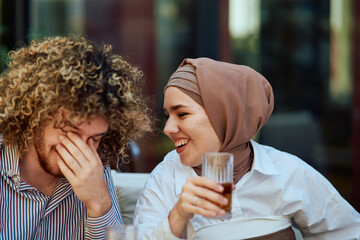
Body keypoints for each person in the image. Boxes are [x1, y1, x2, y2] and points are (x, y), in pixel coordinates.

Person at [133, 57, 360, 239]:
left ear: (225, 115)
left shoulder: (286, 171)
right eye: (167, 116)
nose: (168, 128)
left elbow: (349, 232)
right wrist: (178, 216)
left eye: (182, 114)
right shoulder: (166, 178)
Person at [0, 36, 152, 239]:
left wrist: (99, 203)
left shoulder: (96, 170)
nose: (82, 149)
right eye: (70, 132)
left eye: (95, 138)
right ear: (35, 116)